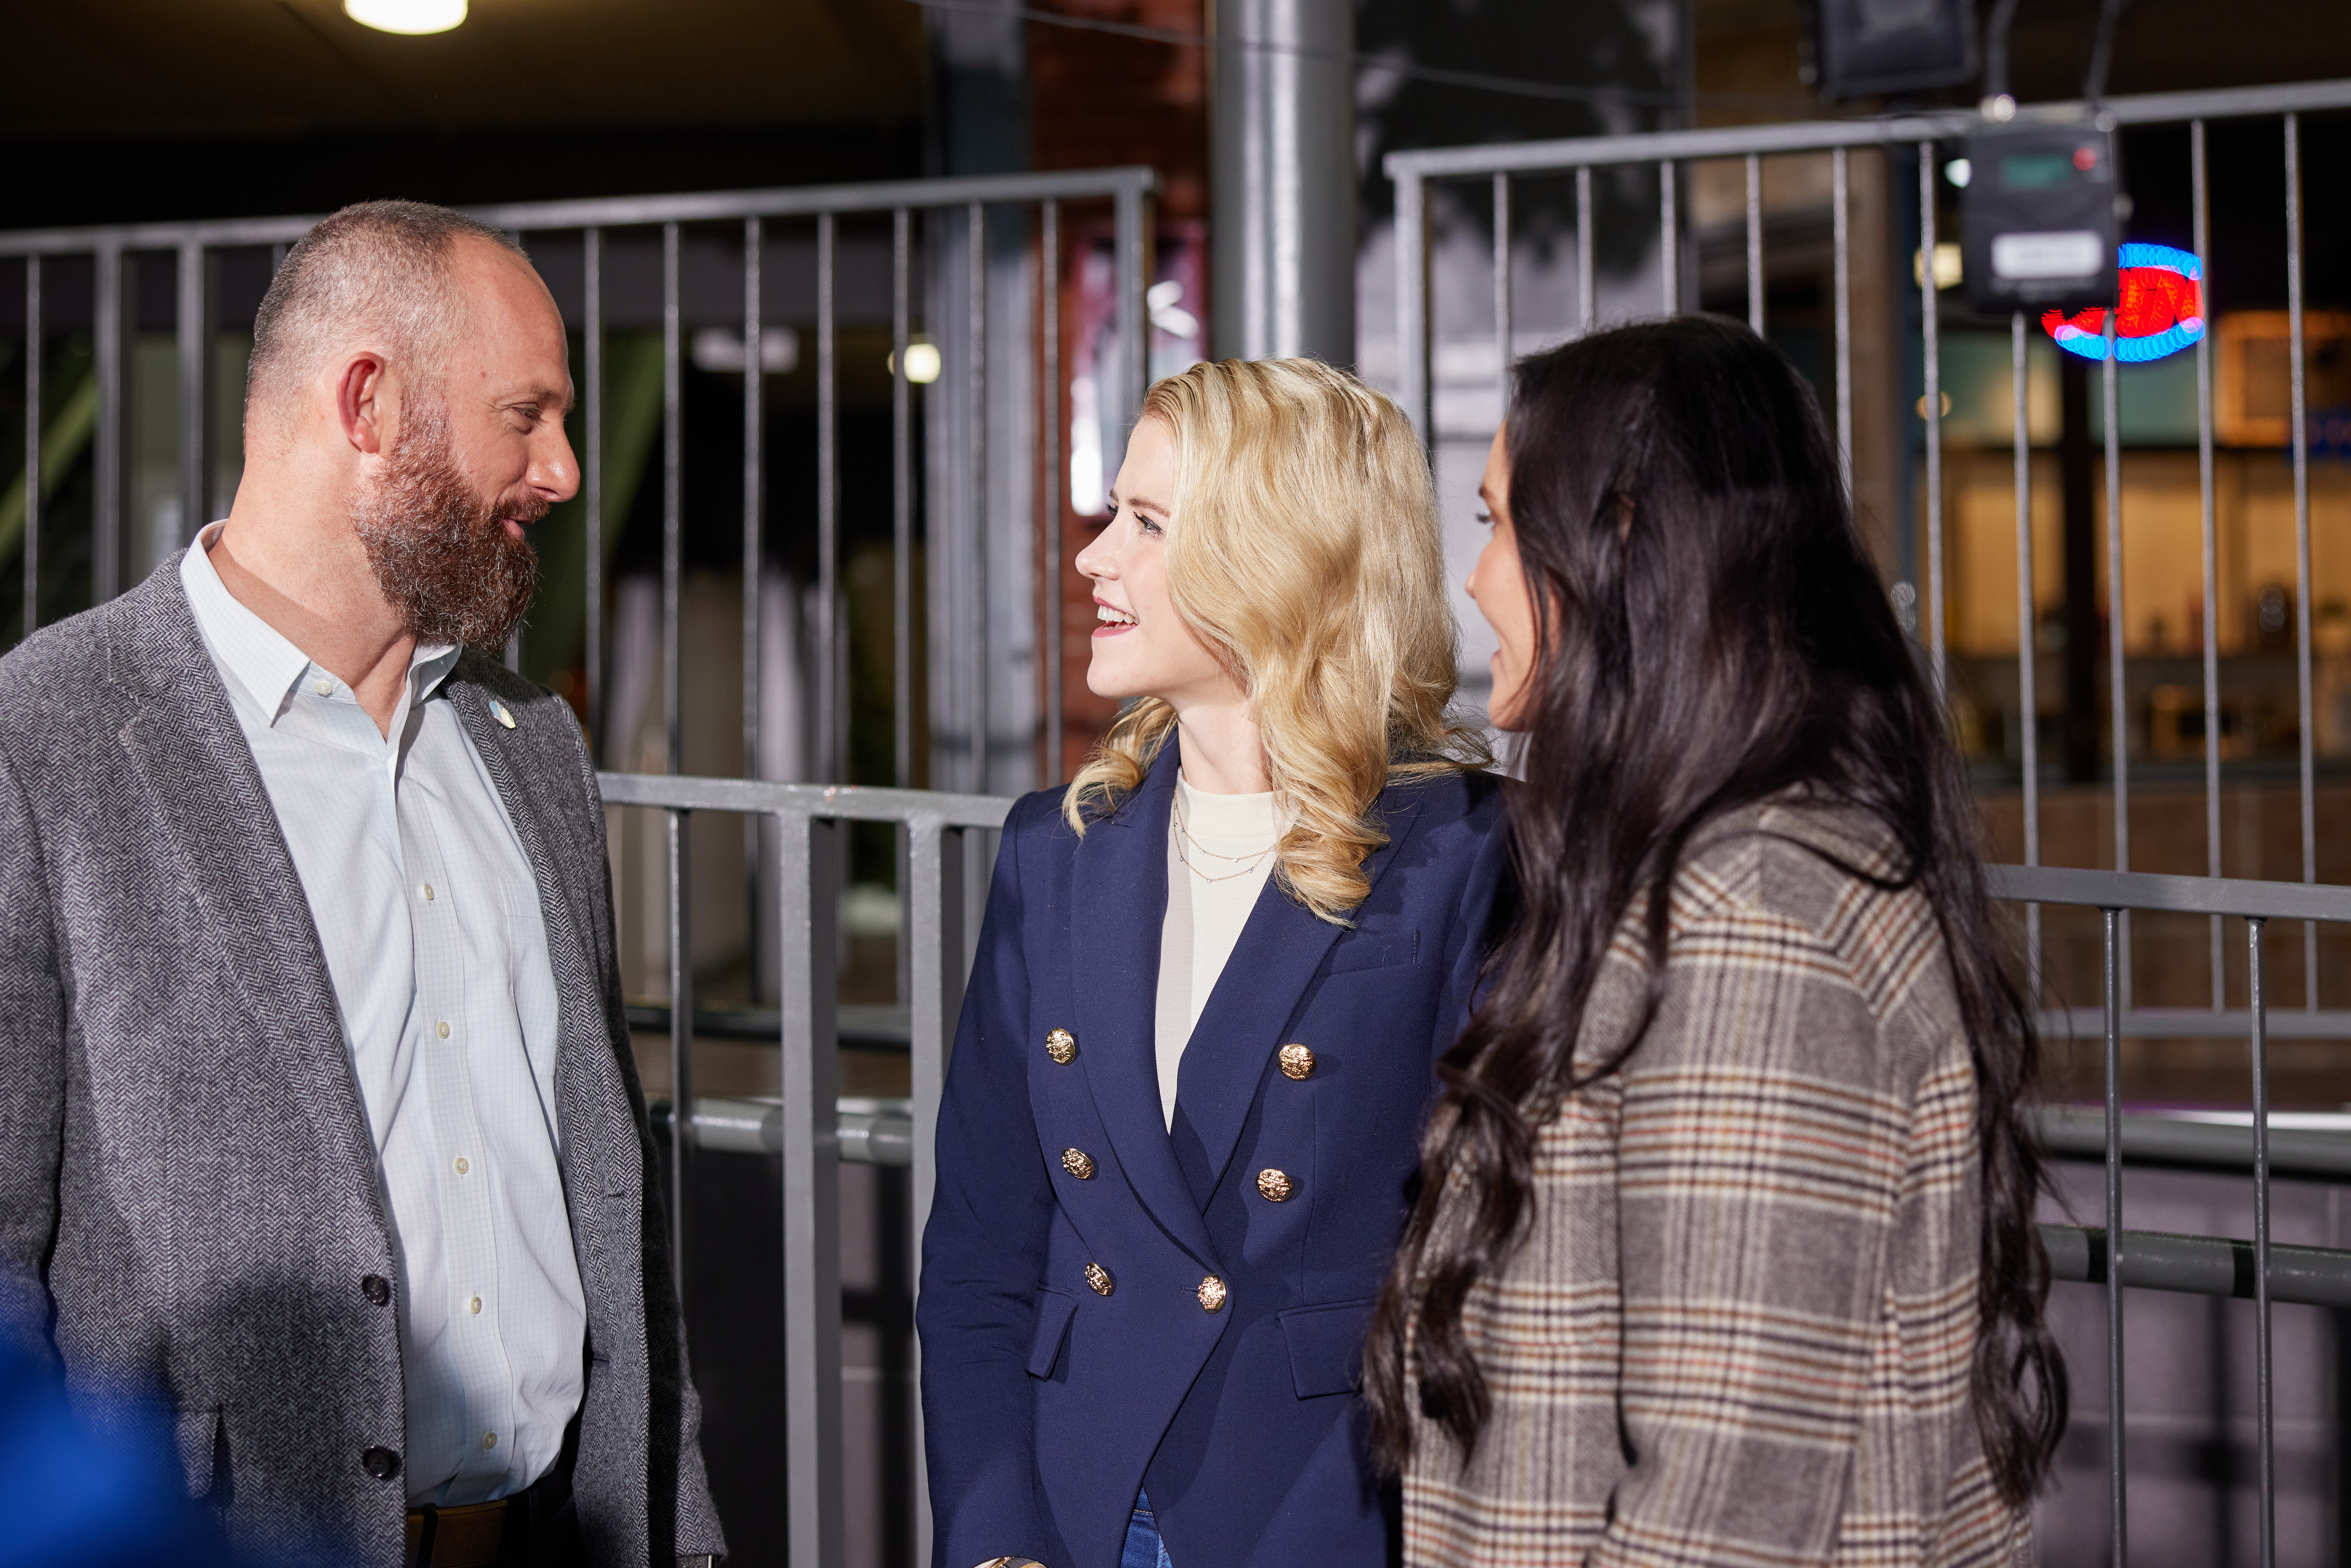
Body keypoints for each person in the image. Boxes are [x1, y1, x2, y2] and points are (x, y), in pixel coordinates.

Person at [0, 202, 723, 1568]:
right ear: (370, 403)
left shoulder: (532, 744)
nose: (564, 469)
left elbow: (603, 1217)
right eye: (528, 416)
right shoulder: (44, 732)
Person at [1366, 317, 2067, 1567]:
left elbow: (1723, 1504)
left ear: (1618, 543)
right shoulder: (1722, 871)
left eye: (1494, 524)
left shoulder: (1749, 928)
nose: (1471, 583)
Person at [919, 358, 1508, 1568]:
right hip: (1071, 1504)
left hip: (1328, 1510)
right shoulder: (1057, 847)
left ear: (1272, 558)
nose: (1093, 558)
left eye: (1145, 523)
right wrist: (993, 1540)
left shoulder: (1466, 849)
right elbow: (981, 1249)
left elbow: (1502, 1267)